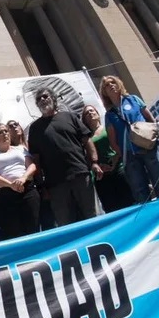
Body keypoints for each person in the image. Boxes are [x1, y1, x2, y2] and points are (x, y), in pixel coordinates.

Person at [27, 88, 103, 227]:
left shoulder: (70, 117)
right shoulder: (35, 128)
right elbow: (36, 159)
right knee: (66, 223)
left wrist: (94, 162)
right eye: (39, 99)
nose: (42, 100)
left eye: (45, 96)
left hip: (81, 175)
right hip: (56, 185)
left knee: (94, 216)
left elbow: (87, 141)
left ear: (53, 99)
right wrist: (41, 186)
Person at [100, 75, 159, 205]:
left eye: (113, 82)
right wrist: (126, 153)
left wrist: (153, 138)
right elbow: (113, 142)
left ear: (119, 84)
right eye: (107, 85)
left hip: (149, 147)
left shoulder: (133, 99)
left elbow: (150, 119)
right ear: (105, 93)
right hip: (130, 156)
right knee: (140, 192)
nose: (111, 85)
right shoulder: (110, 115)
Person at [0, 123, 39, 240]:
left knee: (33, 227)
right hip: (4, 194)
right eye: (0, 132)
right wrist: (10, 185)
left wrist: (23, 178)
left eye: (6, 131)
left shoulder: (21, 149)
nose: (5, 134)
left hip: (26, 190)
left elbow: (32, 166)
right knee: (14, 231)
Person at [81, 105, 133, 214]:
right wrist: (95, 166)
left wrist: (115, 158)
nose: (90, 113)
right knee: (111, 208)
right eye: (86, 113)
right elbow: (86, 157)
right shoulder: (86, 138)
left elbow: (120, 144)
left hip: (119, 169)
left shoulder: (108, 128)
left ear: (97, 113)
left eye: (92, 110)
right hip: (101, 176)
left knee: (129, 202)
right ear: (84, 119)